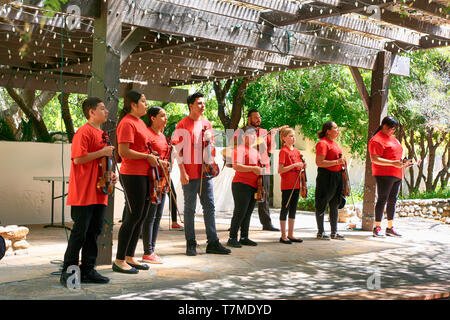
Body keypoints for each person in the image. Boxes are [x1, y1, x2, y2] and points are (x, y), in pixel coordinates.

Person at [60, 97, 117, 287]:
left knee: (94, 232)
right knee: (79, 233)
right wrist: (102, 152)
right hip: (83, 192)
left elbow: (102, 163)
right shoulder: (83, 132)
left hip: (100, 191)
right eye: (102, 108)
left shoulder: (102, 134)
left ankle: (88, 270)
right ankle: (68, 272)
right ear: (91, 112)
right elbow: (78, 159)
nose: (106, 111)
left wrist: (110, 176)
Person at [172, 92, 231, 256]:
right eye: (199, 103)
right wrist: (182, 172)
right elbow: (177, 151)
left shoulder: (207, 124)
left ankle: (212, 242)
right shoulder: (182, 124)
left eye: (203, 103)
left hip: (205, 173)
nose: (202, 106)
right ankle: (190, 243)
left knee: (210, 207)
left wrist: (207, 142)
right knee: (190, 209)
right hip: (190, 174)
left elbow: (210, 149)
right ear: (191, 105)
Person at [112, 90, 159, 274]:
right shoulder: (127, 123)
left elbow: (143, 148)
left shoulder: (140, 122)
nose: (146, 104)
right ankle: (119, 259)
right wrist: (147, 156)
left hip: (145, 174)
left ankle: (130, 257)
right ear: (133, 104)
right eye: (144, 101)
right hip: (132, 174)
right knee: (132, 216)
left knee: (141, 215)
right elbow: (123, 152)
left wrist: (152, 157)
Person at [369, 116, 410, 238]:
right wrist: (393, 163)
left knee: (392, 201)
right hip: (384, 174)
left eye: (395, 129)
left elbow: (396, 156)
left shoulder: (393, 139)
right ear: (384, 126)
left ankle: (390, 227)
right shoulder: (376, 140)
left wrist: (404, 163)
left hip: (397, 173)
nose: (393, 131)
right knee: (382, 199)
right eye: (392, 128)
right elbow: (375, 159)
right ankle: (377, 227)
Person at [240, 109, 279, 231]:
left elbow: (271, 150)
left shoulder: (264, 132)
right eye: (256, 117)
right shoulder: (242, 131)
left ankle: (266, 224)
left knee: (264, 196)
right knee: (245, 198)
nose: (259, 119)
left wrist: (272, 136)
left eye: (259, 117)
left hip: (264, 168)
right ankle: (240, 223)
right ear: (249, 119)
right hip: (248, 168)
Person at [141, 107, 170, 264]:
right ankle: (148, 251)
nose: (165, 119)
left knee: (158, 216)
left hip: (162, 179)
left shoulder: (162, 136)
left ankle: (152, 250)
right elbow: (147, 156)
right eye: (162, 116)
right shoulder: (147, 134)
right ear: (152, 118)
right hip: (151, 178)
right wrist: (161, 162)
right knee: (150, 216)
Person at [227, 126, 262, 248]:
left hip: (253, 185)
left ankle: (244, 237)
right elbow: (236, 166)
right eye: (251, 134)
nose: (254, 137)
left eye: (255, 135)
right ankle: (232, 237)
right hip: (241, 184)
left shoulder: (256, 152)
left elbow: (259, 169)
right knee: (240, 212)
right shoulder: (239, 150)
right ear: (243, 136)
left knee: (248, 212)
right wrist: (253, 168)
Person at [314, 121, 346, 240]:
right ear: (328, 131)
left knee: (335, 203)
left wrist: (341, 162)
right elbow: (319, 162)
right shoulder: (322, 144)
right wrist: (337, 162)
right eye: (335, 128)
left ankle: (334, 232)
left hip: (337, 176)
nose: (338, 130)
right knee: (322, 202)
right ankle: (321, 232)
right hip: (326, 176)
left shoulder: (335, 144)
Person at [278, 127, 306, 244]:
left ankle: (290, 234)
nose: (293, 138)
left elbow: (299, 165)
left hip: (297, 184)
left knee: (293, 209)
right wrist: (295, 165)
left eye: (294, 136)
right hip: (287, 184)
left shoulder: (297, 151)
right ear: (284, 138)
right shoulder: (283, 151)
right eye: (290, 136)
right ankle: (283, 235)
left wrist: (303, 165)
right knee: (285, 208)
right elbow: (280, 170)